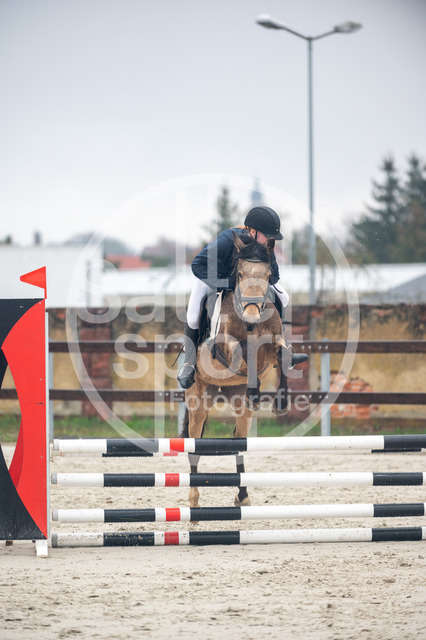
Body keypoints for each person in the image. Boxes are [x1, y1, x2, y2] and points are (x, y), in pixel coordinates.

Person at [177, 205, 308, 389]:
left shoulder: (265, 246)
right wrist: (226, 283)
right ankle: (189, 364)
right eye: (266, 235)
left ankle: (283, 348)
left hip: (248, 280)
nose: (269, 240)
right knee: (192, 316)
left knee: (284, 297)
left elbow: (275, 276)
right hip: (213, 276)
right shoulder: (226, 240)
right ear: (253, 231)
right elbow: (197, 265)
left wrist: (255, 281)